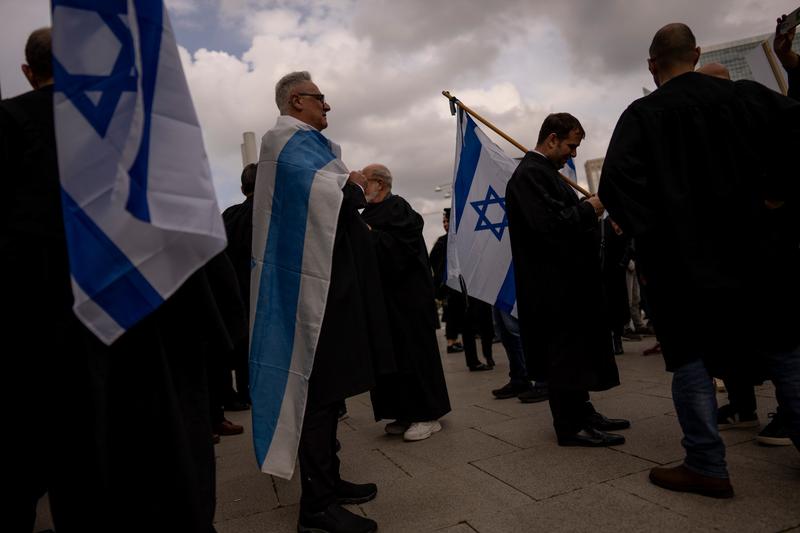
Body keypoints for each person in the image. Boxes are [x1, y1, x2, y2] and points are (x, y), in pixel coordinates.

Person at [5, 27, 222, 532]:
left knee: (79, 468)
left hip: (49, 337)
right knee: (161, 458)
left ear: (27, 71)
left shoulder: (12, 123)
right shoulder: (135, 132)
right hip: (150, 320)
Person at [599, 22, 800, 499]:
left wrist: (657, 234)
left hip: (681, 267)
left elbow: (615, 188)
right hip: (760, 255)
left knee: (690, 360)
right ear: (697, 53)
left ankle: (707, 464)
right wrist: (776, 195)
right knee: (784, 351)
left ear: (652, 65)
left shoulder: (642, 115)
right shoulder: (747, 98)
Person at [252, 71, 393, 533]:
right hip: (311, 296)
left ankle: (328, 482)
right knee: (317, 394)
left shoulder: (305, 143)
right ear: (297, 100)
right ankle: (315, 508)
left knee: (330, 395)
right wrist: (351, 186)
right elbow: (322, 197)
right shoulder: (284, 142)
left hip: (333, 288)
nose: (326, 106)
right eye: (320, 98)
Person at [506, 112, 629, 448]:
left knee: (575, 353)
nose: (572, 155)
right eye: (571, 147)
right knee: (562, 356)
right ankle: (569, 425)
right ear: (551, 140)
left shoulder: (544, 174)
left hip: (568, 285)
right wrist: (590, 208)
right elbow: (549, 228)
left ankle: (583, 411)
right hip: (551, 288)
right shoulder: (529, 176)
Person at [360, 164, 452, 442]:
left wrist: (368, 234)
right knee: (392, 359)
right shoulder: (368, 213)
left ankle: (426, 415)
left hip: (408, 303)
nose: (361, 188)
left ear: (379, 183)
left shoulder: (399, 208)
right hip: (385, 304)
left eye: (364, 182)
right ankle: (403, 411)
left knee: (414, 356)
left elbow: (400, 251)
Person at [221, 163, 258, 409]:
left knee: (238, 343)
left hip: (231, 289)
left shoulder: (229, 215)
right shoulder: (269, 213)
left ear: (242, 187)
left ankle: (237, 394)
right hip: (258, 288)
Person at [429, 208, 464, 353]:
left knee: (456, 314)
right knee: (451, 314)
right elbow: (433, 260)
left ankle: (455, 340)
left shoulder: (455, 240)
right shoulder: (443, 241)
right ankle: (451, 342)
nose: (445, 224)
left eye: (447, 221)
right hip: (448, 285)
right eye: (443, 221)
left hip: (457, 284)